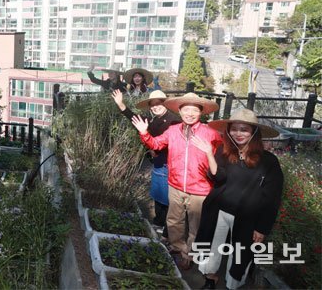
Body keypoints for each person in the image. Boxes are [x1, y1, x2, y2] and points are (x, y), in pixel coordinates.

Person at [191, 109, 283, 289]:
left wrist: (262, 227)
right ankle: (210, 279)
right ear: (228, 130)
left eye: (244, 129)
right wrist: (210, 154)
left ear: (254, 132)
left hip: (247, 216)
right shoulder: (224, 151)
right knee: (212, 246)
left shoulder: (269, 162)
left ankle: (233, 284)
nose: (238, 133)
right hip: (219, 210)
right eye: (234, 129)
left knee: (240, 252)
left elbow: (272, 197)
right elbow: (218, 179)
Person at [132, 92, 222, 270]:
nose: (189, 113)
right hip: (175, 184)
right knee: (174, 221)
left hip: (200, 188)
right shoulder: (172, 131)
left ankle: (189, 254)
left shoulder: (211, 133)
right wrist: (144, 133)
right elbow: (156, 145)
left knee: (196, 224)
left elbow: (223, 157)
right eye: (185, 109)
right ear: (179, 111)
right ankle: (178, 249)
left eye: (194, 110)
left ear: (201, 112)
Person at [111, 89, 181, 239]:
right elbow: (136, 119)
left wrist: (157, 149)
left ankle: (168, 233)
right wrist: (121, 105)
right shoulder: (155, 120)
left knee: (168, 199)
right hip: (158, 163)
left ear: (165, 103)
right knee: (158, 195)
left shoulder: (173, 120)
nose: (155, 107)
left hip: (169, 164)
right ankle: (158, 223)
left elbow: (174, 143)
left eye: (159, 103)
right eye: (153, 104)